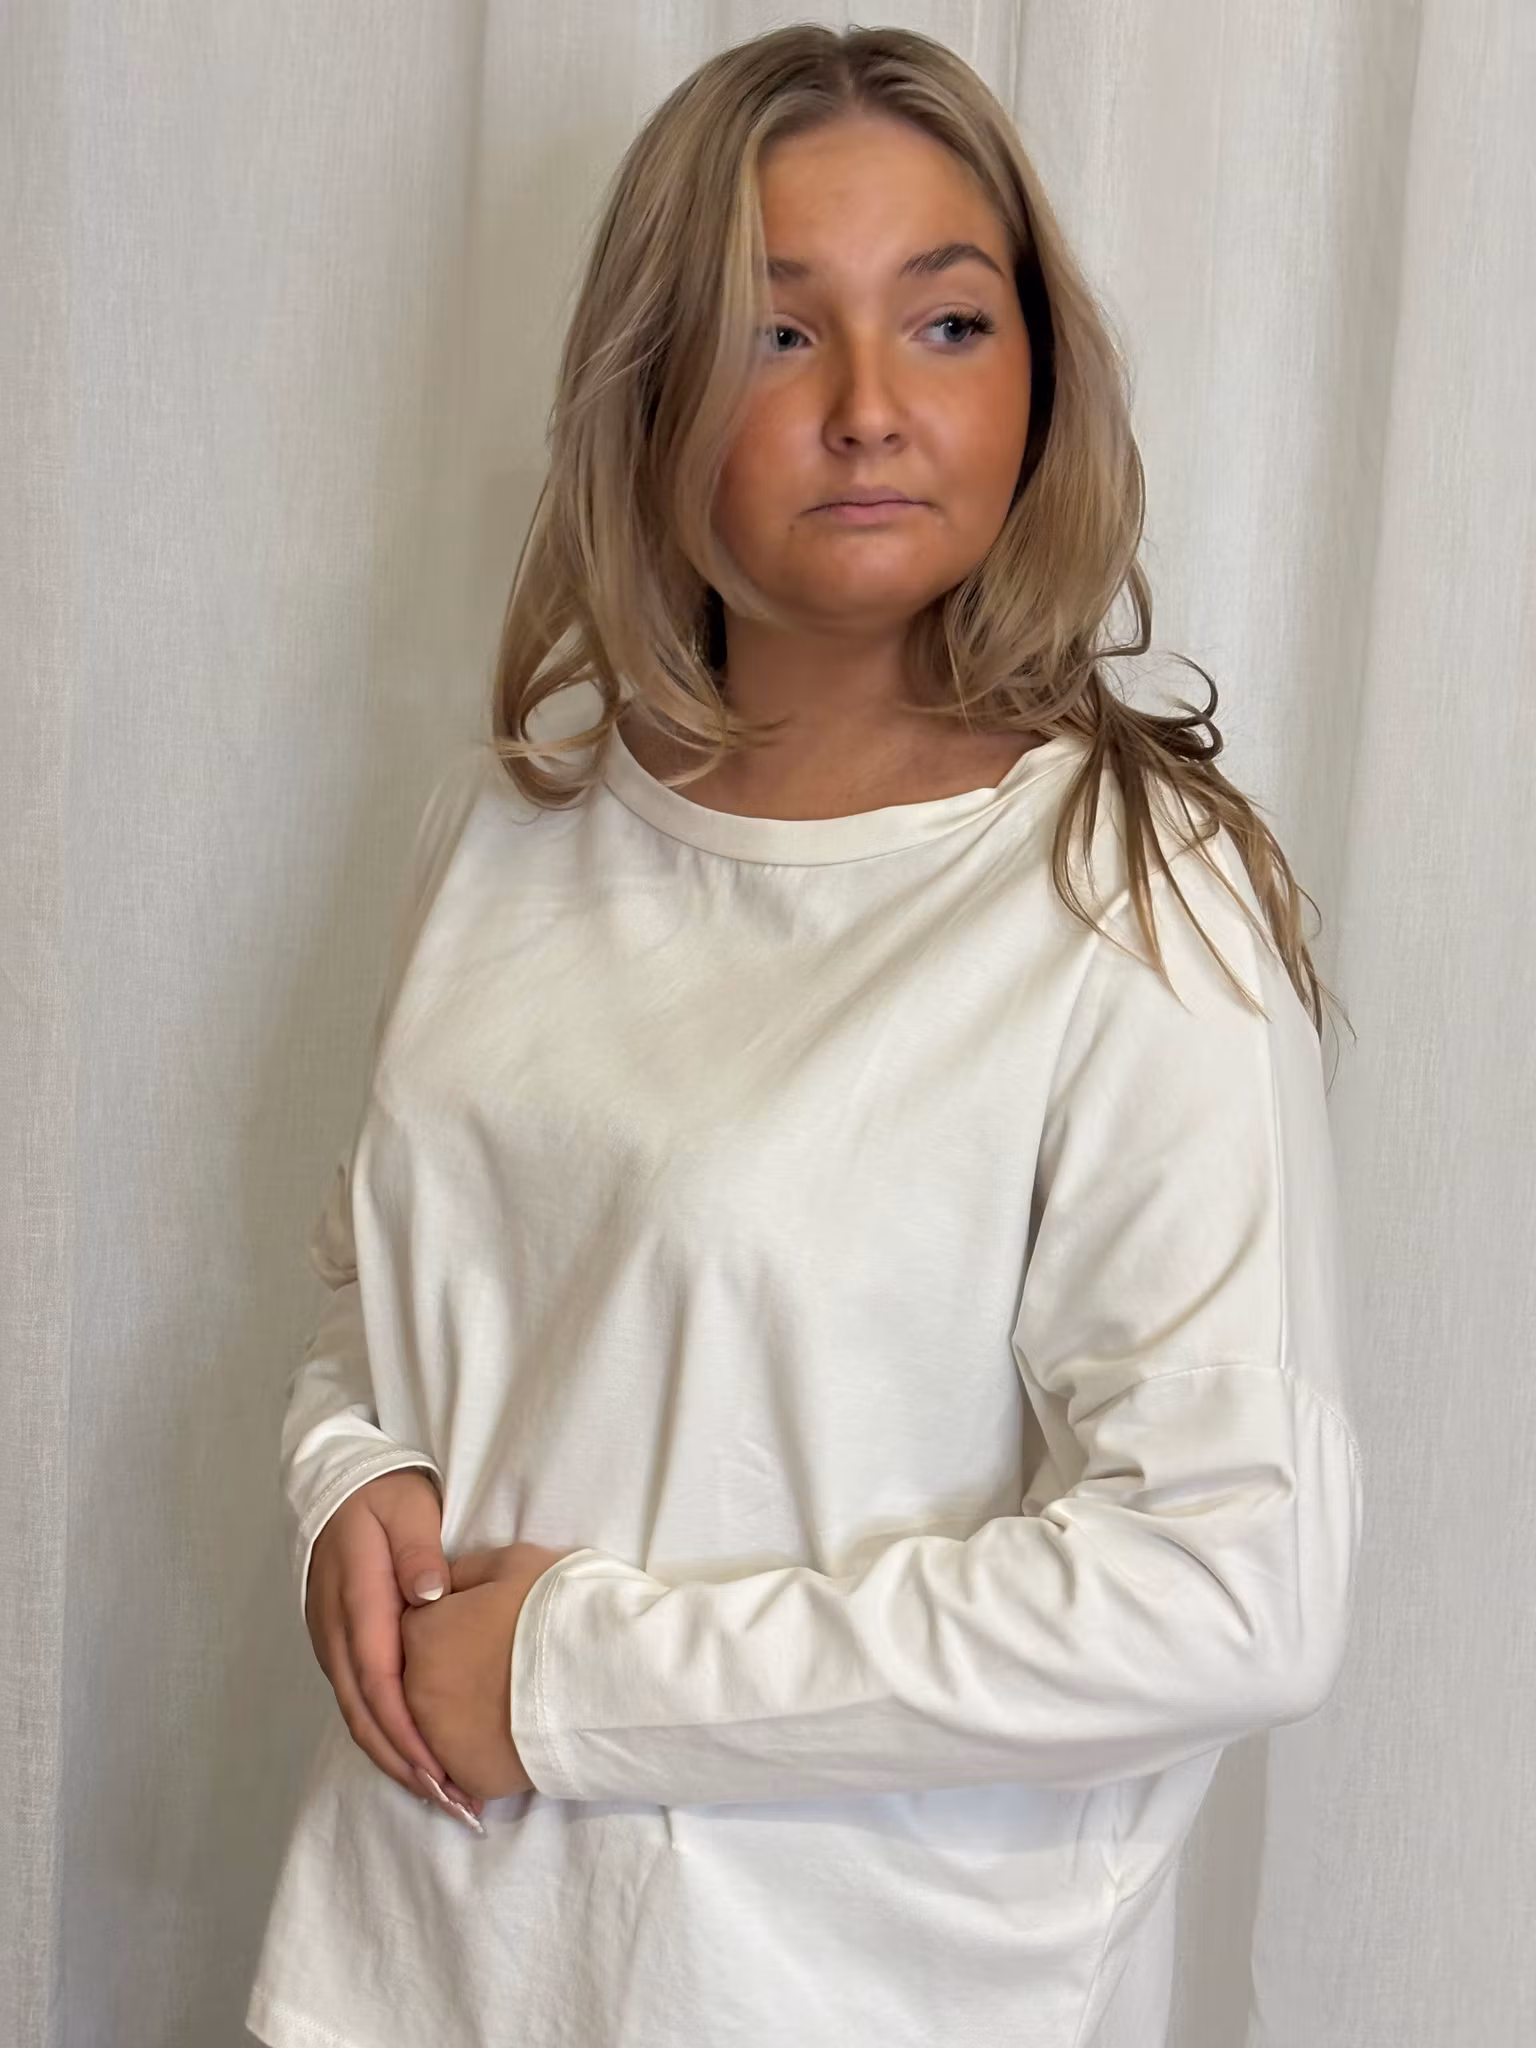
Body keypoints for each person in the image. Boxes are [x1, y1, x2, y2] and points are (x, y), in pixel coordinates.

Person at [245, 23, 1364, 2048]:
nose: (868, 407)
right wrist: (353, 1469)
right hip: (402, 1960)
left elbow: (1232, 1588)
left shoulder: (1128, 893)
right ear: (650, 386)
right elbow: (386, 1295)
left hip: (826, 1994)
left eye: (947, 321)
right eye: (777, 334)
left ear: (1040, 380)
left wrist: (573, 1681)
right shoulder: (507, 828)